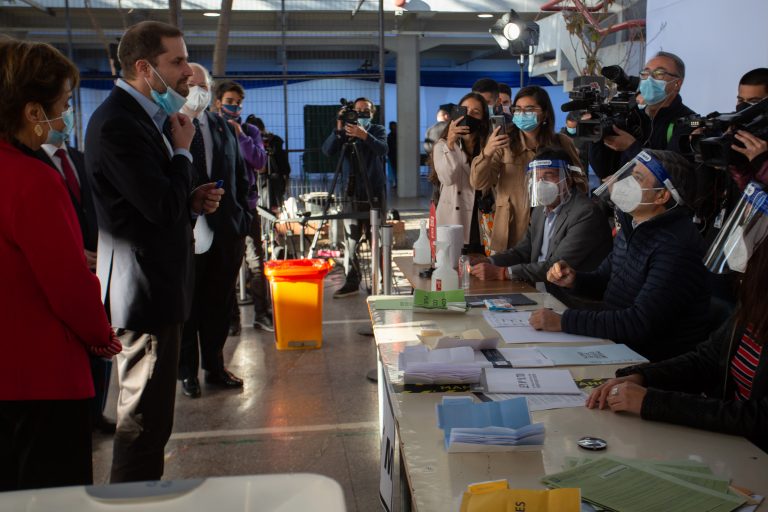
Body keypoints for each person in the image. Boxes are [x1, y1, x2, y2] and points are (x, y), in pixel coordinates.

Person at [85, 20, 222, 483]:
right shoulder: (119, 124)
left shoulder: (146, 117)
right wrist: (183, 156)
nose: (187, 71)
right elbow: (158, 206)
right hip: (143, 289)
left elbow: (155, 201)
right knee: (142, 423)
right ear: (145, 68)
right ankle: (132, 500)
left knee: (155, 420)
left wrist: (191, 197)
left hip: (158, 281)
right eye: (177, 61)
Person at [0, 36, 120, 491]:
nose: (67, 114)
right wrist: (100, 334)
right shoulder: (33, 180)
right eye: (64, 103)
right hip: (40, 376)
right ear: (33, 113)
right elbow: (67, 282)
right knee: (52, 494)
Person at [586, 181, 768, 452]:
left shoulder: (675, 243)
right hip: (730, 448)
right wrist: (641, 377)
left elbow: (757, 419)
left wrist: (651, 402)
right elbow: (705, 360)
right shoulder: (757, 304)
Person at [529, 149, 711, 362]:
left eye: (638, 178)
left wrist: (564, 321)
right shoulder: (633, 226)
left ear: (662, 195)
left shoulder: (677, 247)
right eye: (631, 175)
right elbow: (606, 280)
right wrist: (574, 280)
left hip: (649, 362)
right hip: (616, 346)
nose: (627, 183)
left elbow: (639, 322)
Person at [35, 107, 116, 434]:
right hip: (68, 262)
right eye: (61, 107)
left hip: (100, 260)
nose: (67, 115)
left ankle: (96, 412)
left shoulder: (80, 159)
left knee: (102, 342)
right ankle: (79, 415)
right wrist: (75, 252)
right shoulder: (33, 165)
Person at [177, 64, 252, 399]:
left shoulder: (222, 126)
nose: (199, 91)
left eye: (204, 85)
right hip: (184, 228)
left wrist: (242, 216)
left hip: (225, 228)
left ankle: (215, 366)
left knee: (218, 303)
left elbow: (238, 173)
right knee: (187, 306)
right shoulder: (169, 124)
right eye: (193, 85)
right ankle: (186, 372)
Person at [470, 148, 611, 293]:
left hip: (573, 300)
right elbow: (523, 251)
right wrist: (490, 261)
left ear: (568, 180)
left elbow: (557, 267)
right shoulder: (540, 211)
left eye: (548, 176)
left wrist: (503, 273)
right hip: (541, 291)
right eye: (536, 177)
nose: (540, 183)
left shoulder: (585, 213)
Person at [470, 85, 582, 252]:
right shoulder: (503, 143)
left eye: (529, 109)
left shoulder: (562, 142)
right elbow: (479, 182)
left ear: (544, 113)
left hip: (554, 223)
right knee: (506, 273)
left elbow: (581, 183)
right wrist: (487, 151)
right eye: (518, 109)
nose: (522, 114)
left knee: (548, 270)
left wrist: (560, 188)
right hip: (511, 227)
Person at [213, 81, 273, 332]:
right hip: (220, 206)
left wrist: (240, 137)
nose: (234, 107)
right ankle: (231, 318)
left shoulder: (250, 131)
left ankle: (262, 313)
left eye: (238, 103)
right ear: (218, 102)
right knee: (226, 263)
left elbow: (259, 162)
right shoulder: (209, 128)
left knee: (255, 261)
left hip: (247, 207)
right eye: (229, 102)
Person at [589, 51, 695, 181]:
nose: (649, 79)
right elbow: (604, 171)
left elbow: (675, 176)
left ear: (677, 83)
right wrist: (597, 136)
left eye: (659, 74)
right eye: (645, 73)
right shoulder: (633, 115)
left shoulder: (688, 122)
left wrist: (631, 147)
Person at [322, 97, 387, 298]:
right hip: (351, 193)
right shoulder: (345, 132)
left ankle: (382, 282)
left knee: (378, 239)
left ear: (372, 113)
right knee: (351, 241)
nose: (361, 114)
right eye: (357, 110)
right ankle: (352, 280)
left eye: (366, 110)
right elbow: (327, 151)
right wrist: (338, 129)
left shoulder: (377, 130)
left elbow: (383, 149)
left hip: (374, 192)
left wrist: (364, 135)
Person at [432, 92, 490, 252]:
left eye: (476, 112)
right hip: (455, 218)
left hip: (483, 218)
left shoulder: (488, 145)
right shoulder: (442, 146)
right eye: (465, 111)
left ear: (483, 119)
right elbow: (447, 178)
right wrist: (450, 143)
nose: (469, 115)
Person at [245, 115, 291, 211]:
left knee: (270, 210)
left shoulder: (273, 143)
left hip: (271, 183)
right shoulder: (273, 141)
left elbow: (281, 166)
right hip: (263, 183)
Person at [387, 121, 398, 188]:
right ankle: (395, 182)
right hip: (392, 156)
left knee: (396, 170)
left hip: (396, 155)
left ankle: (396, 182)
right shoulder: (389, 137)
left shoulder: (399, 136)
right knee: (394, 170)